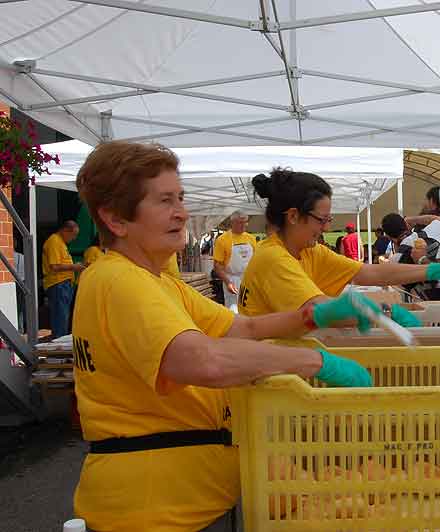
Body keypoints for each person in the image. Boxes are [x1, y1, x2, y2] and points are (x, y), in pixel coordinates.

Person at [71, 141, 381, 531]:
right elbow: (206, 361)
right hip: (155, 511)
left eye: (180, 198)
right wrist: (316, 361)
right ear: (116, 219)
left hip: (185, 501)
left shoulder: (159, 281)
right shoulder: (120, 280)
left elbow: (244, 328)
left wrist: (316, 316)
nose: (182, 213)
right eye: (165, 201)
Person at [238, 168, 440, 319]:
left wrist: (430, 269)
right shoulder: (274, 259)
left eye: (329, 220)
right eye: (322, 220)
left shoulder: (309, 252)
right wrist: (385, 311)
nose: (327, 228)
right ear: (294, 216)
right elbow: (320, 309)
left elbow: (369, 272)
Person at [42, 220, 84, 338]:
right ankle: (59, 343)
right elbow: (54, 266)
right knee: (61, 318)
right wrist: (74, 267)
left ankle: (60, 340)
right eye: (73, 234)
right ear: (65, 230)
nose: (74, 238)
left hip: (63, 284)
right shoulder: (54, 241)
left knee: (63, 317)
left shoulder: (60, 243)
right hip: (58, 284)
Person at [213, 211, 257, 312]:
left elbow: (255, 261)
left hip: (248, 280)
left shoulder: (251, 238)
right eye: (240, 222)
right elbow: (217, 266)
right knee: (233, 310)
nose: (244, 225)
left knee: (249, 309)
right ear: (232, 222)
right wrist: (228, 282)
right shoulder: (222, 240)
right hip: (232, 280)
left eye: (245, 222)